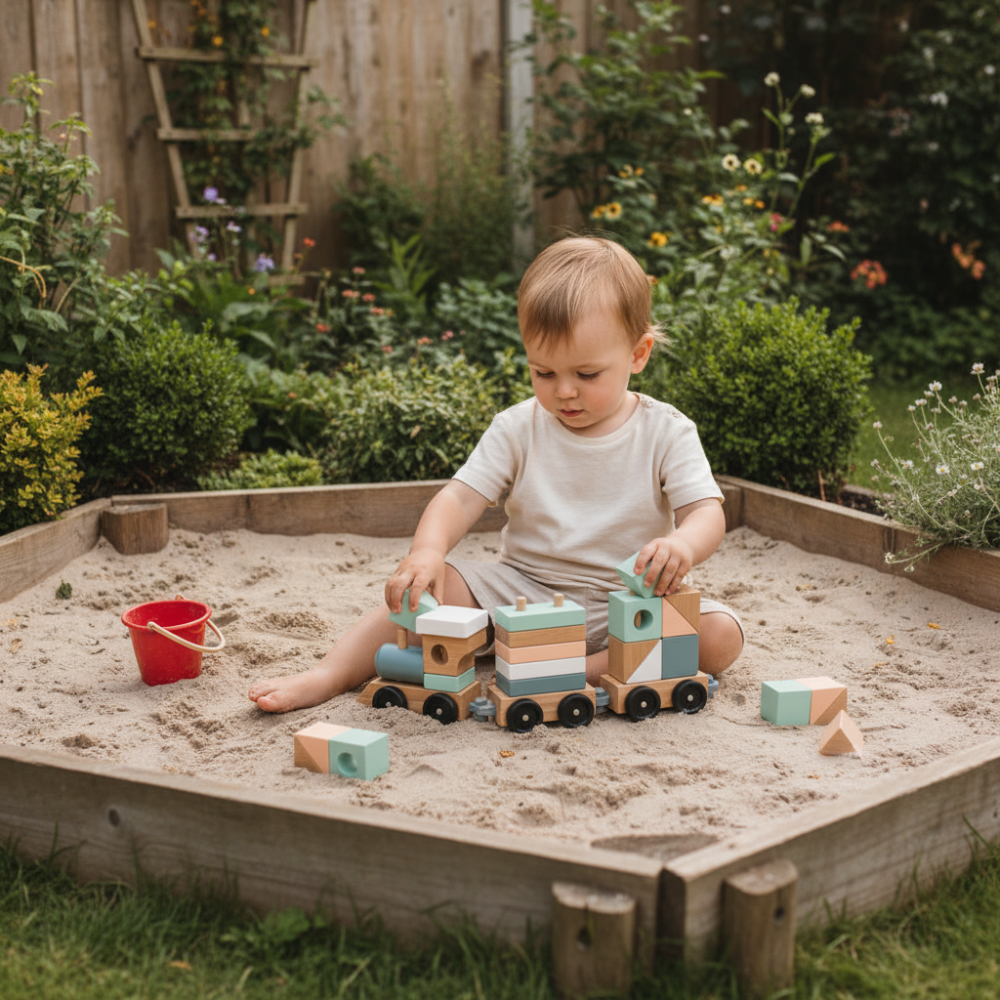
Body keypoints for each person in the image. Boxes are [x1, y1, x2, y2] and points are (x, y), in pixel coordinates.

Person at [250, 237, 743, 713]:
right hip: (519, 591)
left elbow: (704, 512)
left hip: (627, 599)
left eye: (587, 375)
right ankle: (330, 673)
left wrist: (682, 546)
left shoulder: (666, 431)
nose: (564, 392)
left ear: (638, 354)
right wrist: (427, 551)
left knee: (720, 634)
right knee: (431, 587)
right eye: (543, 373)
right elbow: (460, 498)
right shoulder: (518, 427)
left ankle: (583, 668)